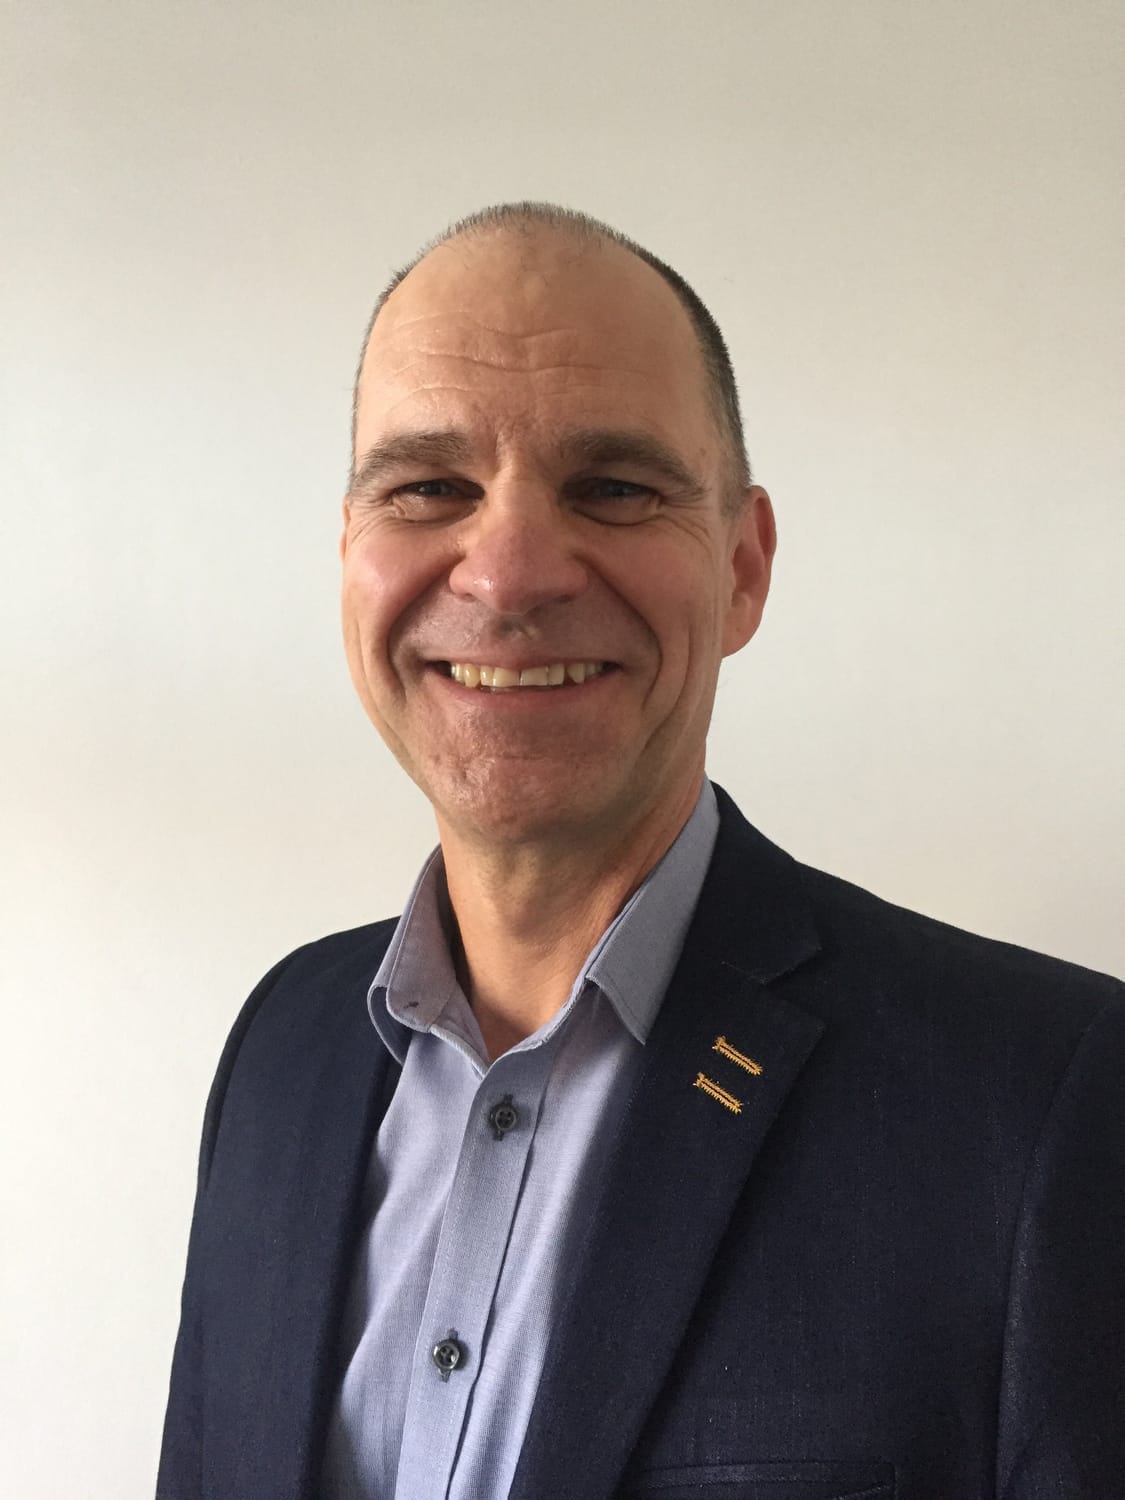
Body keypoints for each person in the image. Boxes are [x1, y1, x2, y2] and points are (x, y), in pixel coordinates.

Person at [157, 203, 1124, 1500]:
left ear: (743, 567)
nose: (507, 574)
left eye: (612, 487)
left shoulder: (1048, 1102)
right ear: (349, 555)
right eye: (429, 487)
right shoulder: (280, 1049)